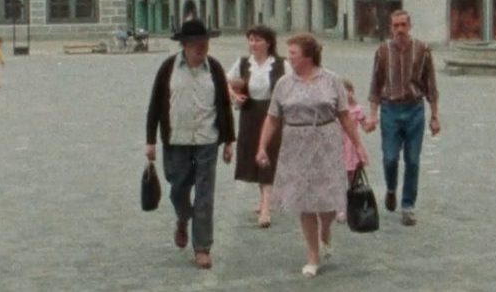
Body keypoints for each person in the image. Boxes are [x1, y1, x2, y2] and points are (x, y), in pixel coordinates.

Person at [255, 34, 369, 278]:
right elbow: (273, 117)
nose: (289, 57)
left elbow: (345, 116)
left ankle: (326, 228)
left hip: (326, 143)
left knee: (328, 201)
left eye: (293, 53)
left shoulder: (331, 80)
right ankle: (312, 255)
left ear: (308, 56)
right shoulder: (284, 84)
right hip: (295, 145)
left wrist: (358, 145)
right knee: (305, 203)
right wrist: (262, 147)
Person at [145, 19, 235, 270]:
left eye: (204, 43)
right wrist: (150, 141)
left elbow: (224, 105)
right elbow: (155, 105)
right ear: (184, 45)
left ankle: (202, 247)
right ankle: (183, 218)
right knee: (178, 188)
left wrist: (228, 141)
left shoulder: (214, 68)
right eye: (195, 44)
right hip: (176, 140)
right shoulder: (168, 68)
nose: (201, 48)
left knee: (205, 194)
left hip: (207, 139)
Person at [363, 10, 440, 227]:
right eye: (395, 25)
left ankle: (407, 206)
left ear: (410, 25)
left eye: (403, 25)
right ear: (390, 27)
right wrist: (372, 114)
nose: (399, 30)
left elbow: (431, 85)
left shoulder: (422, 50)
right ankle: (390, 188)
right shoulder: (382, 51)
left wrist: (434, 116)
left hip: (414, 109)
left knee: (413, 161)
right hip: (390, 110)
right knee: (390, 157)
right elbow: (375, 85)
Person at [226, 25, 290, 228]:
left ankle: (265, 208)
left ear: (268, 43)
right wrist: (235, 95)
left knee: (268, 154)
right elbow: (224, 81)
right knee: (254, 154)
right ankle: (263, 198)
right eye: (251, 40)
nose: (253, 44)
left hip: (272, 115)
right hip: (250, 114)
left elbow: (292, 86)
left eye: (257, 40)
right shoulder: (244, 63)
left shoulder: (281, 64)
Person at [336, 78, 366, 223]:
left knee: (352, 179)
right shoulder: (336, 110)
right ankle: (340, 207)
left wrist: (371, 123)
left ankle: (352, 205)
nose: (346, 94)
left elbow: (365, 125)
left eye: (348, 91)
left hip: (352, 147)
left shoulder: (356, 109)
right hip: (339, 146)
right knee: (339, 178)